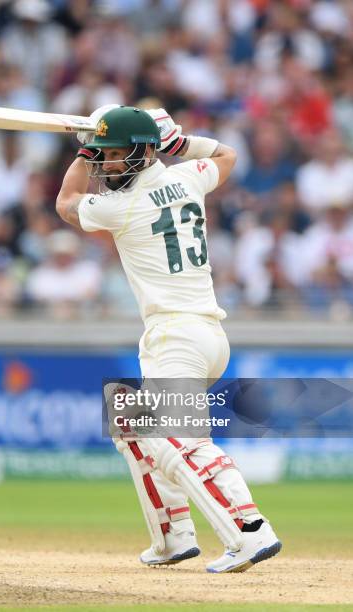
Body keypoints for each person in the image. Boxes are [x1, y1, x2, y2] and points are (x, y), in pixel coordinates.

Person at [56, 105, 282, 573]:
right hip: (202, 334)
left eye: (113, 154)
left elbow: (65, 201)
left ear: (142, 151)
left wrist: (80, 150)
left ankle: (249, 530)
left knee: (177, 437)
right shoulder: (189, 176)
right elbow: (227, 154)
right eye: (100, 155)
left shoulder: (122, 205)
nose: (104, 165)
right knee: (128, 417)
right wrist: (180, 144)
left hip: (178, 336)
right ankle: (172, 536)